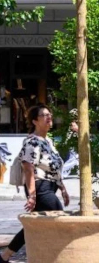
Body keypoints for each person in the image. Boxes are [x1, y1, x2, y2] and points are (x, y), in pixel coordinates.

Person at [1, 105, 69, 262]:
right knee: (60, 219)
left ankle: (5, 256)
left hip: (49, 186)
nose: (49, 117)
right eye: (44, 115)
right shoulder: (32, 142)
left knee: (34, 226)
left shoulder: (48, 141)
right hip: (40, 188)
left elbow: (54, 168)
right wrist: (32, 195)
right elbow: (28, 168)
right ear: (34, 121)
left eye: (49, 114)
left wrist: (63, 188)